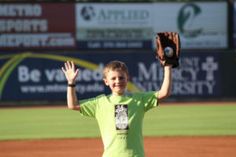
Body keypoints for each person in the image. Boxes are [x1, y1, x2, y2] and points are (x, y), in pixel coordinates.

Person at [61, 33, 175, 157]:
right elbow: (72, 105)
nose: (117, 81)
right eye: (113, 78)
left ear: (127, 79)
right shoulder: (100, 103)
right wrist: (71, 83)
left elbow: (164, 92)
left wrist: (167, 67)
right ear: (106, 81)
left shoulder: (139, 99)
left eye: (121, 78)